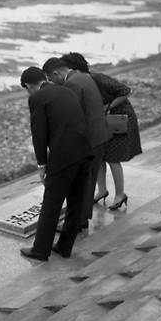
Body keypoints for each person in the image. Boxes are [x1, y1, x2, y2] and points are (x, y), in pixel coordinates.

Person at [19, 66, 93, 261]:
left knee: (51, 203)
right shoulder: (66, 90)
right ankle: (64, 247)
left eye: (26, 89)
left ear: (28, 86)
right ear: (43, 78)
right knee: (76, 202)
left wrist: (42, 165)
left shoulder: (37, 98)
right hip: (84, 151)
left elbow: (39, 134)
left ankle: (40, 250)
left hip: (63, 156)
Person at [63, 52, 142, 210]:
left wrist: (107, 107)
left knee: (113, 158)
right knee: (99, 157)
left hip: (118, 118)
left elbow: (126, 91)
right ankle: (102, 190)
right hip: (103, 120)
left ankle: (120, 194)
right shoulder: (80, 81)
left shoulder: (96, 78)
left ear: (75, 69)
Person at [42, 56, 110, 231]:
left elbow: (72, 115)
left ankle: (76, 222)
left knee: (82, 184)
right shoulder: (84, 77)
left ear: (56, 73)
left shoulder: (72, 84)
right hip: (100, 135)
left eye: (51, 79)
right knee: (89, 181)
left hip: (89, 140)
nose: (52, 83)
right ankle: (81, 219)